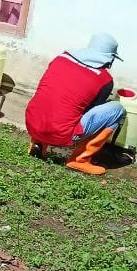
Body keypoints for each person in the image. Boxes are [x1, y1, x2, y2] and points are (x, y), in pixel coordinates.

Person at [25, 32, 125, 175]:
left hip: (32, 122)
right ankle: (79, 160)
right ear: (110, 58)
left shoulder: (60, 58)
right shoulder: (105, 79)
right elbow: (90, 110)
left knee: (52, 100)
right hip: (61, 134)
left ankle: (38, 144)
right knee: (117, 109)